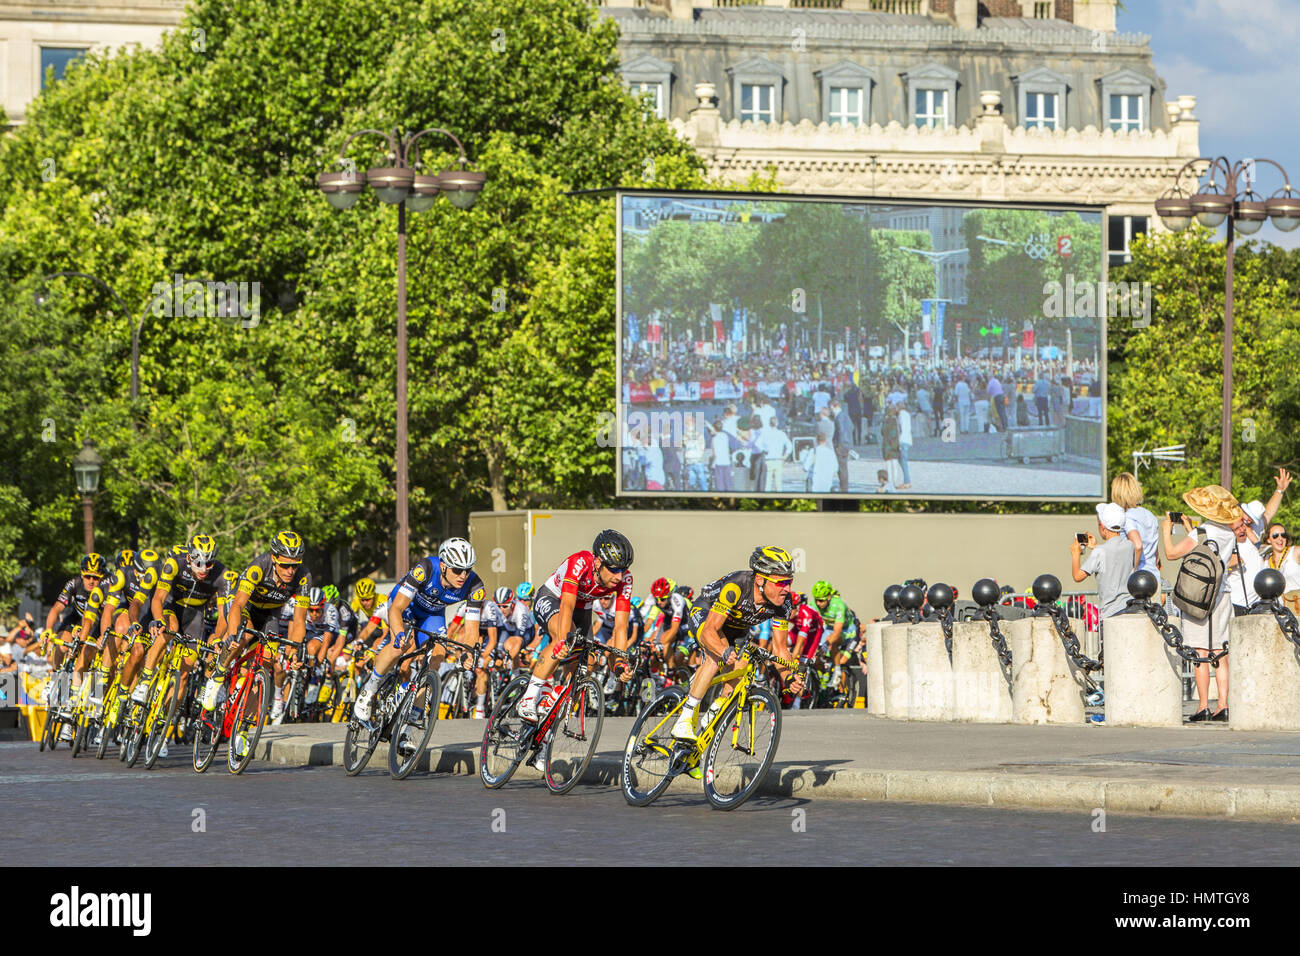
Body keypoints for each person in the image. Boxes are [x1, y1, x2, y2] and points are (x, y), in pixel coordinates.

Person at [670, 546, 802, 746]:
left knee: (741, 668)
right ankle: (685, 718)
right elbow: (710, 631)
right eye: (781, 582)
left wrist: (789, 676)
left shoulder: (784, 603)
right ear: (760, 579)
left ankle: (710, 718)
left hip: (737, 628)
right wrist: (723, 651)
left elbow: (781, 649)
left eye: (789, 582)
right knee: (716, 657)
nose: (787, 589)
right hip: (707, 615)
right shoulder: (737, 585)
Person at [1161, 485, 1238, 722]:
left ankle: (1203, 706)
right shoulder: (1229, 533)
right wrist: (1190, 529)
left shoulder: (1201, 532)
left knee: (1199, 652)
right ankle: (1223, 705)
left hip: (1199, 596)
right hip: (1222, 594)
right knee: (1219, 652)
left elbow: (1172, 553)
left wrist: (1166, 531)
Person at [1070, 503, 1134, 619]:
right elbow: (1113, 556)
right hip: (1129, 610)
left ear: (1102, 526)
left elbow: (1077, 576)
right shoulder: (1129, 546)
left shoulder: (1100, 552)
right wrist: (1096, 547)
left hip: (1109, 614)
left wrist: (1075, 554)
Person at [1111, 472, 1161, 576]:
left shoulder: (1127, 517)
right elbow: (1156, 555)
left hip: (1137, 580)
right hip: (1153, 576)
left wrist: (1133, 571)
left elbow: (1138, 545)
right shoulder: (1150, 515)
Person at [896, 401, 913, 490]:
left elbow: (901, 428)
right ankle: (907, 480)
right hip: (908, 439)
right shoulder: (907, 414)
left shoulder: (901, 415)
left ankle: (907, 481)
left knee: (903, 461)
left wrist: (898, 441)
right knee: (902, 461)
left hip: (902, 440)